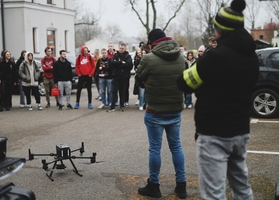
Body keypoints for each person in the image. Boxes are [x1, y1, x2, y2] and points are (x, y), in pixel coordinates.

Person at [177, 0, 259, 199]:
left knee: (214, 193)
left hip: (215, 133)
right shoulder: (252, 56)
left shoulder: (215, 57)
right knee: (242, 187)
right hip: (240, 130)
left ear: (222, 29)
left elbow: (184, 83)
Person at [136, 28, 186, 198]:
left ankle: (154, 186)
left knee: (155, 150)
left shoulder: (149, 58)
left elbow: (138, 79)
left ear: (152, 42)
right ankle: (181, 185)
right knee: (176, 146)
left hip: (155, 111)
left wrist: (146, 81)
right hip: (175, 110)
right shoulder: (181, 57)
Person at [106, 43, 132, 112]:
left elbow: (128, 65)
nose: (121, 49)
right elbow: (112, 64)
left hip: (124, 77)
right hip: (115, 76)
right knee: (114, 91)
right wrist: (121, 62)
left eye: (122, 48)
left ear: (125, 48)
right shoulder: (115, 55)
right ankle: (112, 106)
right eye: (120, 48)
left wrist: (118, 63)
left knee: (122, 92)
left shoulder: (128, 56)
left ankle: (122, 106)